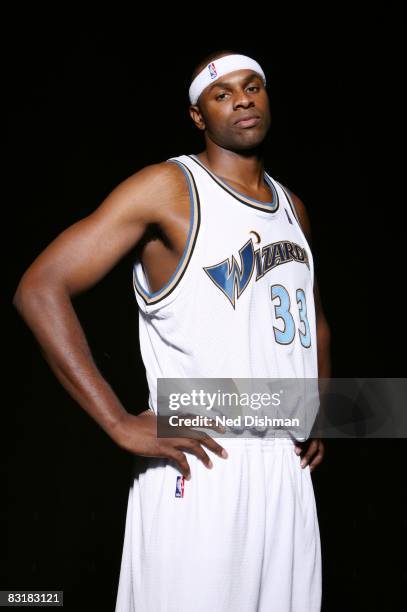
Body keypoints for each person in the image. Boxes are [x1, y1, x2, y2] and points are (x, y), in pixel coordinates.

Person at [13, 49, 331, 611]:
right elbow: (40, 288)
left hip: (285, 470)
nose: (242, 99)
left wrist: (319, 409)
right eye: (222, 93)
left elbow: (315, 322)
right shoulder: (169, 188)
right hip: (202, 457)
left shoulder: (293, 208)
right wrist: (115, 419)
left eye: (252, 86)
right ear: (198, 116)